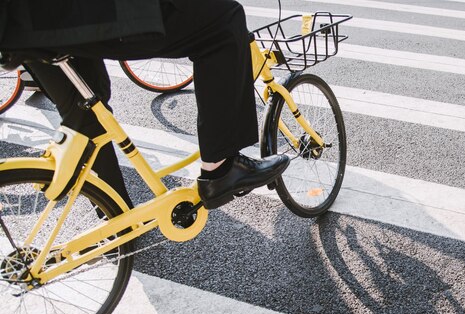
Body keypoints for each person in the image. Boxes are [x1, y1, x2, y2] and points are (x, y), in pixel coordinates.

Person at [0, 0, 290, 209]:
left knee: (88, 108)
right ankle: (221, 168)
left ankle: (114, 217)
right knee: (225, 20)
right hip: (79, 12)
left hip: (19, 25)